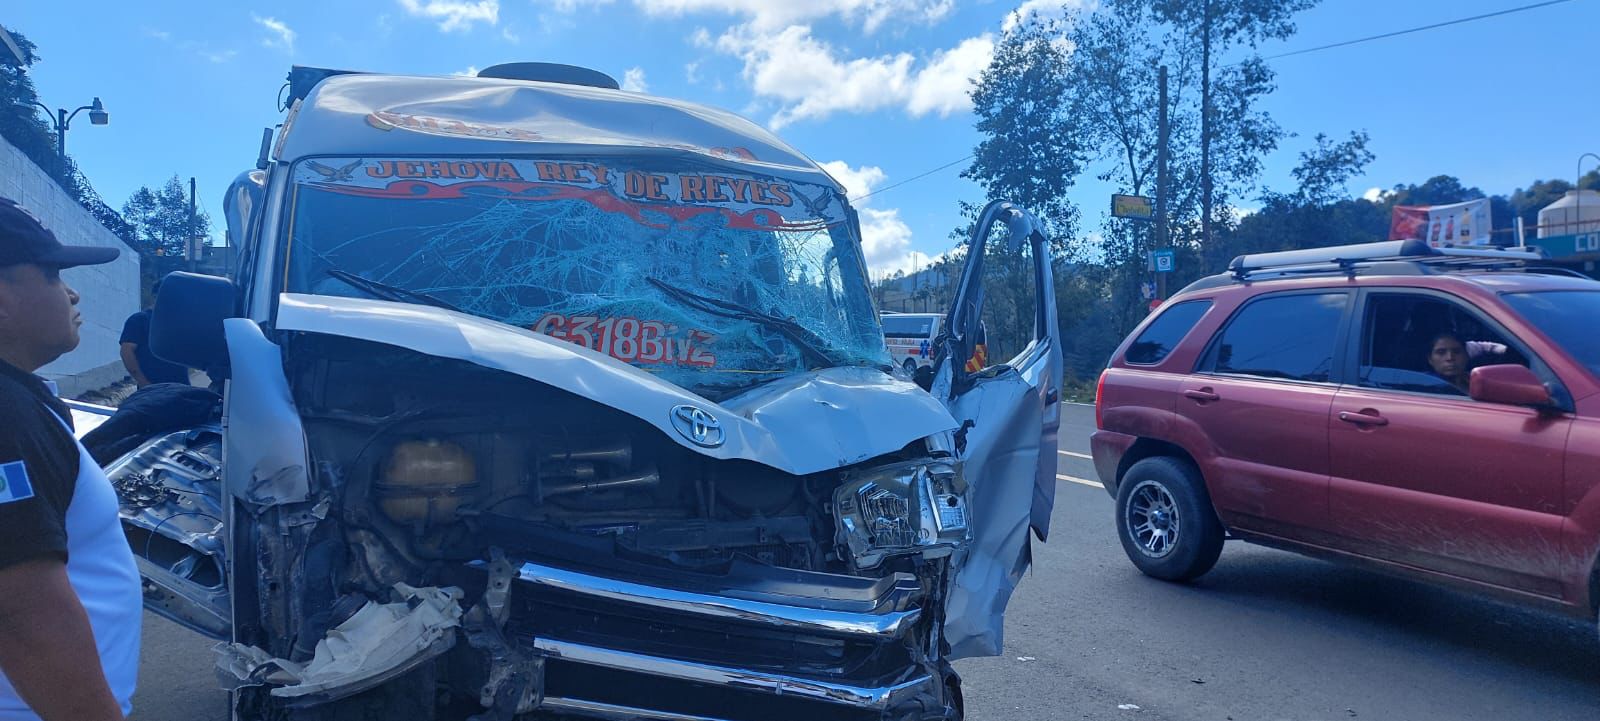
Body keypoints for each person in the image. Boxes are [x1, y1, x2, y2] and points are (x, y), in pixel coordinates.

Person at [0, 196, 142, 721]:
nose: (73, 290)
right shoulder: (3, 416)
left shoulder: (17, 398)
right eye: (54, 273)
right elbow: (20, 616)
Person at [119, 280, 189, 387]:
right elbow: (126, 351)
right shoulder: (139, 320)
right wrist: (143, 382)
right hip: (152, 389)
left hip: (181, 388)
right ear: (156, 296)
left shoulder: (180, 322)